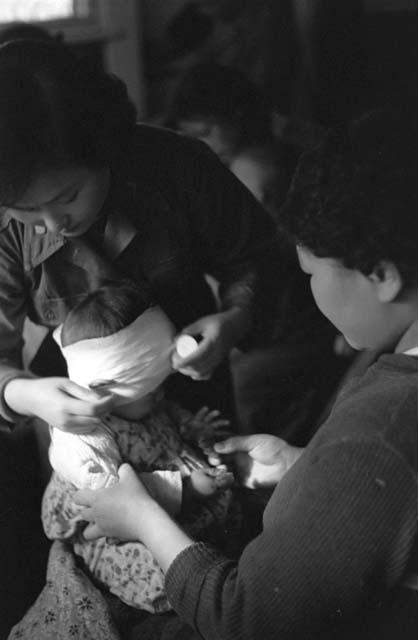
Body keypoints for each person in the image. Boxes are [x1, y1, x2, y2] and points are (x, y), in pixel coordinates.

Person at [73, 109, 418, 639]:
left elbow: (247, 620)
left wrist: (143, 518)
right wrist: (309, 469)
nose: (310, 288)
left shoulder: (381, 426)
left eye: (311, 273)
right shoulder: (381, 421)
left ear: (382, 275)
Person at [0, 39, 277, 634]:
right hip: (74, 396)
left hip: (193, 364)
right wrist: (25, 395)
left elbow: (257, 256)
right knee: (92, 554)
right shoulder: (6, 221)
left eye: (67, 196)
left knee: (219, 518)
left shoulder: (178, 168)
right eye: (28, 210)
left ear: (104, 149)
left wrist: (234, 319)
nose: (53, 224)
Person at [36, 280, 241, 626]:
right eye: (150, 390)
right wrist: (187, 490)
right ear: (106, 389)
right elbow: (115, 498)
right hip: (118, 519)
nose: (161, 396)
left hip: (170, 491)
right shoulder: (89, 441)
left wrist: (194, 430)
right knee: (149, 564)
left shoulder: (144, 406)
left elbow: (171, 419)